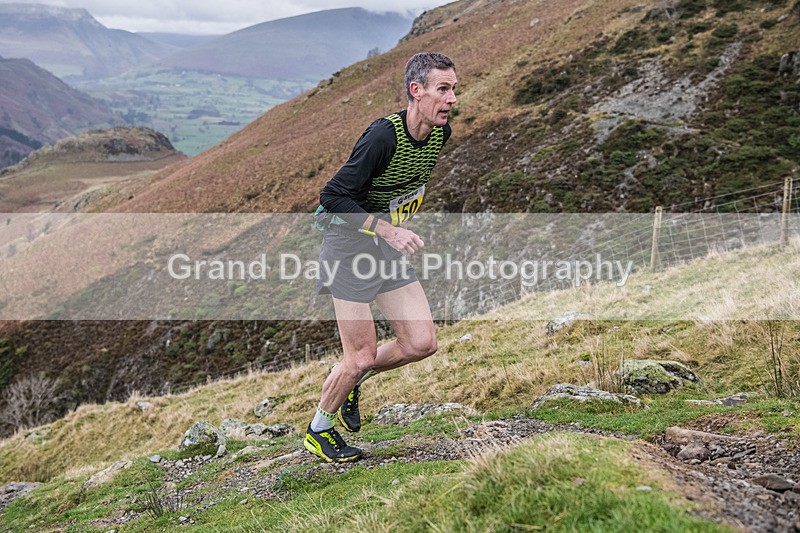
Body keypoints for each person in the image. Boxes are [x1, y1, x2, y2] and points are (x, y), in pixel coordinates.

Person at [304, 52, 457, 463]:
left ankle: (354, 380)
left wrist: (393, 229)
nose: (452, 98)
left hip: (384, 249)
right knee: (359, 357)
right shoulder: (382, 137)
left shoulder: (440, 134)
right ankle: (319, 430)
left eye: (454, 89)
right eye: (443, 89)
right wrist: (387, 228)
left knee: (422, 343)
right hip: (348, 248)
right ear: (416, 91)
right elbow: (331, 197)